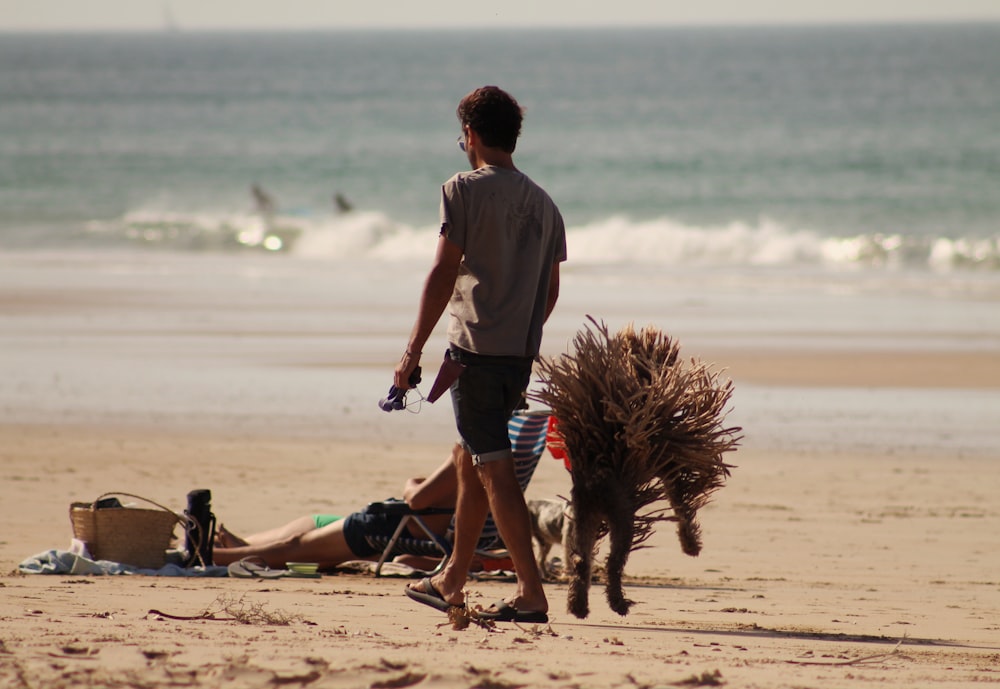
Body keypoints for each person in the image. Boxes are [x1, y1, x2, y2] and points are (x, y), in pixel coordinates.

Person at [396, 85, 566, 623]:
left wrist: (411, 352)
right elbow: (551, 288)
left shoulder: (462, 189)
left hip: (472, 353)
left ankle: (531, 594)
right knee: (472, 461)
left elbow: (444, 271)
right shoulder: (543, 200)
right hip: (517, 356)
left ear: (469, 134)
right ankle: (451, 576)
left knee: (494, 471)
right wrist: (519, 331)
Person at [212, 447, 461, 570]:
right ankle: (218, 550)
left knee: (293, 547)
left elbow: (417, 500)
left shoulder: (466, 451)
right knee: (293, 547)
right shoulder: (495, 470)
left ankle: (206, 554)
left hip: (389, 528)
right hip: (399, 533)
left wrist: (412, 483)